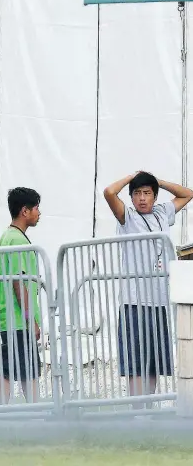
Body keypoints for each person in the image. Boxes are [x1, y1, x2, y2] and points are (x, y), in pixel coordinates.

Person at [104, 171, 193, 404]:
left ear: (154, 196)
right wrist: (132, 177)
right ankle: (136, 407)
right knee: (135, 358)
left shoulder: (163, 212)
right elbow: (109, 192)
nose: (142, 198)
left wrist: (157, 181)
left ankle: (149, 405)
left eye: (147, 193)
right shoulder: (128, 217)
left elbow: (187, 194)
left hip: (159, 298)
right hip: (134, 298)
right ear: (131, 197)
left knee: (154, 357)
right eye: (137, 193)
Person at [0, 188, 42, 405]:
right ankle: (35, 411)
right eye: (36, 208)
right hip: (18, 318)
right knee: (29, 367)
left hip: (8, 316)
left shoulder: (6, 236)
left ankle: (0, 411)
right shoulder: (18, 240)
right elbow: (17, 281)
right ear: (25, 211)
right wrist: (30, 319)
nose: (39, 213)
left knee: (6, 366)